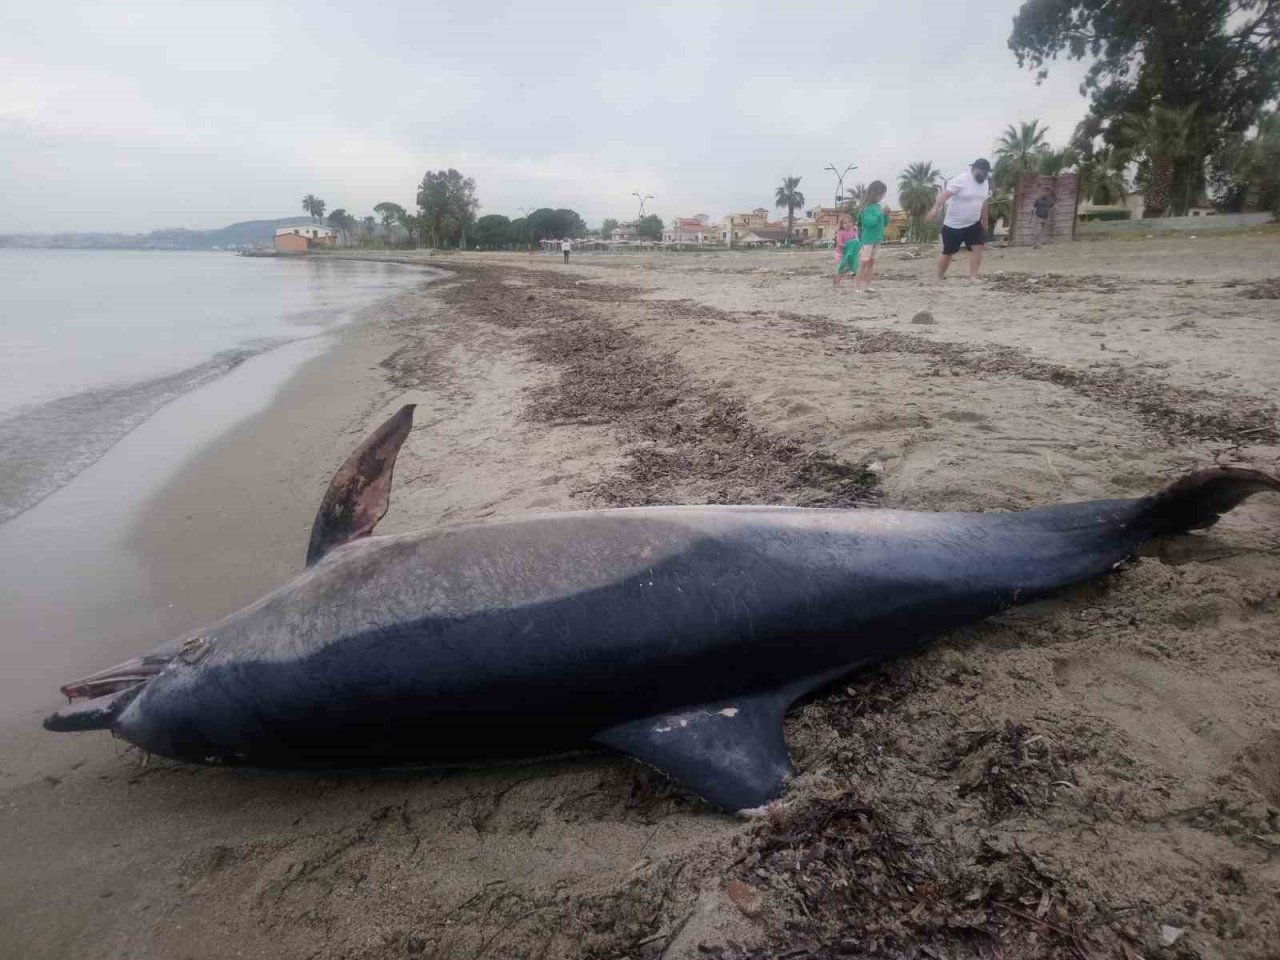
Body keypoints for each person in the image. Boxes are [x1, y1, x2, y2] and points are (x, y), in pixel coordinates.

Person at [928, 158, 991, 280]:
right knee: (948, 253)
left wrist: (985, 222)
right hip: (953, 225)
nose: (985, 175)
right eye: (983, 172)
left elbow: (984, 203)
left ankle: (973, 276)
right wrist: (935, 209)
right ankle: (939, 276)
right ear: (975, 169)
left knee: (977, 248)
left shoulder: (985, 183)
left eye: (987, 172)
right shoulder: (961, 180)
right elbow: (945, 195)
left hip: (973, 223)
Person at [854, 181, 890, 293]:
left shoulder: (878, 207)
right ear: (875, 193)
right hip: (868, 240)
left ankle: (867, 285)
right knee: (864, 263)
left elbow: (883, 223)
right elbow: (870, 223)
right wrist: (880, 214)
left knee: (871, 263)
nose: (883, 196)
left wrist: (886, 215)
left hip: (877, 239)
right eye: (881, 194)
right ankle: (858, 286)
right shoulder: (866, 208)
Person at [832, 215, 858, 288]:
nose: (848, 224)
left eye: (849, 222)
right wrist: (847, 245)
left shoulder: (853, 232)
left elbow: (856, 241)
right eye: (845, 223)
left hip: (849, 254)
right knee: (841, 267)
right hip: (840, 254)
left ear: (852, 223)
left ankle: (836, 275)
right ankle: (837, 283)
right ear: (842, 225)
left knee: (848, 268)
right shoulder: (841, 232)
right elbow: (839, 243)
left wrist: (857, 232)